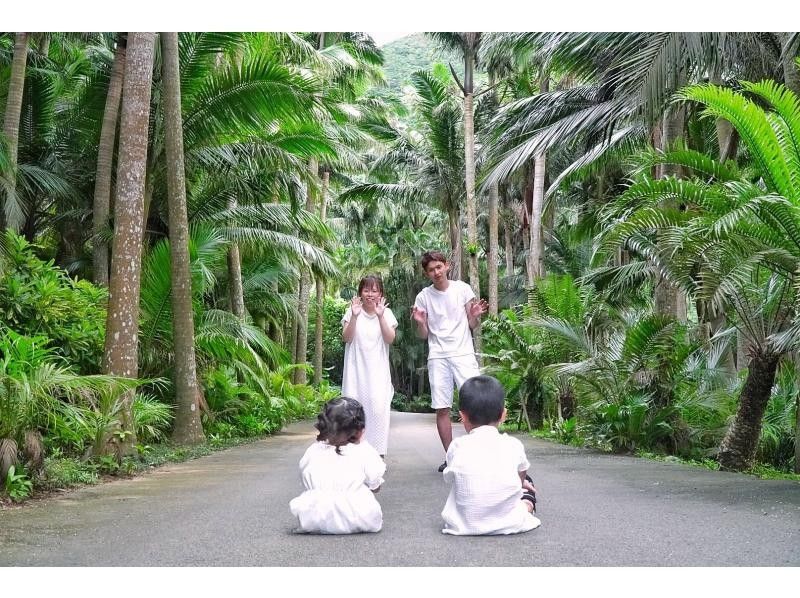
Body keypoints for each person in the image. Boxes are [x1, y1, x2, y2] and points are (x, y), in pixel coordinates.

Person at [411, 251, 488, 471]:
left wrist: (474, 314)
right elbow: (423, 335)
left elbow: (471, 325)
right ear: (427, 273)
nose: (436, 272)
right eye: (431, 270)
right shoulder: (423, 297)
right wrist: (420, 323)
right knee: (442, 408)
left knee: (475, 403)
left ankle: (479, 455)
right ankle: (451, 458)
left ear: (447, 266)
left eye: (438, 267)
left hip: (463, 353)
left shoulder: (462, 289)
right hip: (438, 356)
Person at [441, 375, 541, 535]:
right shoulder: (514, 445)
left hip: (465, 523)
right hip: (510, 522)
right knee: (527, 485)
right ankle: (528, 505)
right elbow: (520, 476)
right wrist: (520, 482)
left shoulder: (456, 446)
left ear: (463, 416)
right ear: (503, 415)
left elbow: (451, 478)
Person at [289, 397, 386, 534]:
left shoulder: (313, 451)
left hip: (316, 516)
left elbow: (304, 476)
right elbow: (375, 486)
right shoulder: (364, 451)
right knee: (367, 501)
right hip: (358, 516)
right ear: (360, 431)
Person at [341, 275, 398, 458]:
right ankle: (352, 454)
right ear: (360, 292)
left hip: (378, 372)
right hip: (354, 372)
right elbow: (346, 338)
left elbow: (390, 339)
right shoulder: (351, 311)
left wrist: (380, 316)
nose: (370, 294)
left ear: (380, 293)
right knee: (352, 411)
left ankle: (378, 455)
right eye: (366, 290)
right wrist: (355, 316)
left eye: (374, 290)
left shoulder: (386, 313)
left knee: (378, 411)